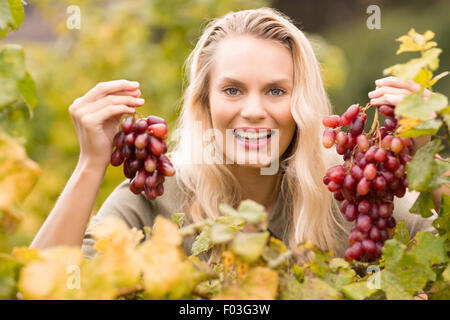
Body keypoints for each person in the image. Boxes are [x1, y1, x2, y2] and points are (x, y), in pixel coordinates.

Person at [30, 7, 443, 262]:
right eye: (232, 90)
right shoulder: (155, 201)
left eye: (276, 91)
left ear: (301, 103)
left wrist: (431, 167)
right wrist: (90, 164)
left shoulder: (351, 194)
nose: (253, 111)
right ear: (204, 103)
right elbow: (39, 289)